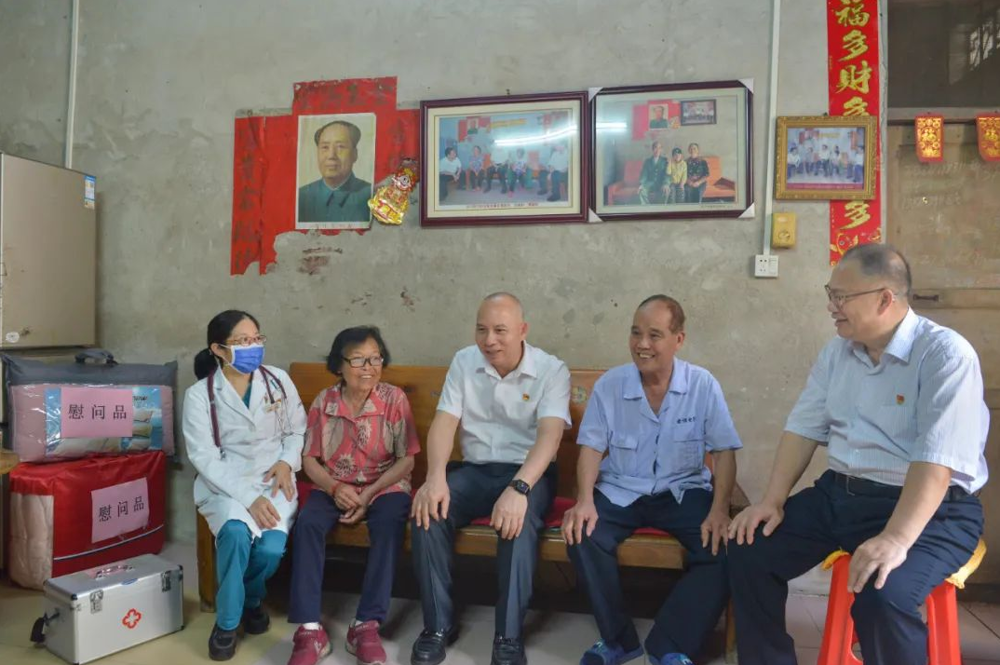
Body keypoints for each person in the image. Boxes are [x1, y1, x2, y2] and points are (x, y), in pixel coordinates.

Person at [727, 244, 988, 665]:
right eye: (830, 294)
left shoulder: (944, 355)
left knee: (883, 595)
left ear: (885, 298)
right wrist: (771, 501)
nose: (832, 306)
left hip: (933, 511)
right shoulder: (837, 352)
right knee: (749, 548)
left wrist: (896, 538)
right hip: (840, 496)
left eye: (841, 296)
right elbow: (802, 428)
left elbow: (936, 462)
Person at [563, 296, 741, 665]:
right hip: (622, 488)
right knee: (582, 533)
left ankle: (671, 645)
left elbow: (724, 452)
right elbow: (591, 448)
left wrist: (720, 509)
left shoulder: (702, 385)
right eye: (636, 333)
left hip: (683, 490)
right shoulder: (611, 385)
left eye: (654, 335)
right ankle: (617, 640)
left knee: (723, 547)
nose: (642, 344)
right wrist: (584, 501)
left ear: (679, 339)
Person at [409, 293, 571, 665]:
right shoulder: (464, 361)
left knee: (517, 522)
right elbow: (445, 422)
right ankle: (437, 626)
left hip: (528, 474)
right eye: (481, 330)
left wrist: (519, 488)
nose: (489, 340)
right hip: (475, 470)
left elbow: (550, 436)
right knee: (427, 512)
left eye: (500, 330)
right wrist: (434, 478)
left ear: (522, 330)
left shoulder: (551, 370)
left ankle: (508, 636)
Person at [287, 326, 420, 665]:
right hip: (335, 484)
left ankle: (365, 625)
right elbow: (309, 460)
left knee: (389, 523)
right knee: (308, 523)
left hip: (384, 484)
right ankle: (309, 629)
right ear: (339, 365)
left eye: (375, 359)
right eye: (359, 360)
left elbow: (407, 460)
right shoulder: (325, 401)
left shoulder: (394, 399)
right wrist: (335, 487)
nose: (369, 368)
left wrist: (369, 494)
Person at [184, 310, 307, 661]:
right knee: (236, 535)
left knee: (270, 550)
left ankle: (251, 598)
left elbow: (296, 430)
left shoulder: (278, 380)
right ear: (218, 349)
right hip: (225, 484)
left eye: (256, 339)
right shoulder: (200, 395)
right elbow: (204, 457)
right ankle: (227, 623)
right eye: (242, 341)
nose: (253, 347)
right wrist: (248, 497)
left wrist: (287, 462)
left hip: (274, 479)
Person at [298, 120, 373, 224]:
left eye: (340, 147)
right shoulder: (301, 196)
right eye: (325, 147)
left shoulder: (371, 195)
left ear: (355, 154)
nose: (331, 155)